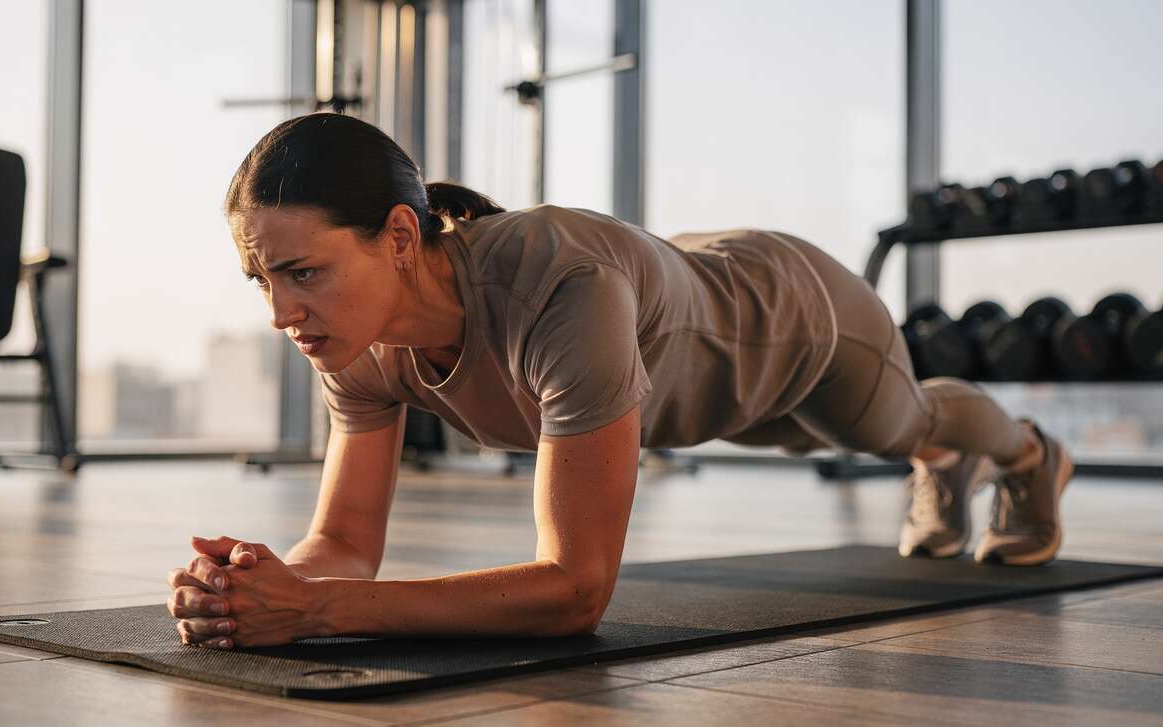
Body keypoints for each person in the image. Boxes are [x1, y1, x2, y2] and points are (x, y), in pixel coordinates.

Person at [165, 113, 1072, 650]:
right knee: (843, 435)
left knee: (898, 424)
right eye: (263, 278)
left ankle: (1028, 456)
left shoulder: (559, 287)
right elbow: (345, 544)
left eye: (303, 272)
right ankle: (947, 469)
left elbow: (574, 590)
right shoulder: (352, 342)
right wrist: (252, 586)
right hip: (677, 384)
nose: (281, 312)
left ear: (401, 237)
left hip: (790, 323)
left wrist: (315, 609)